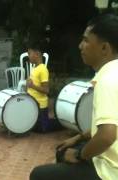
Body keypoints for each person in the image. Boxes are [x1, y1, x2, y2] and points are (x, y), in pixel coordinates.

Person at [30, 14, 118, 180]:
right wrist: (79, 137)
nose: (80, 46)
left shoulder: (107, 81)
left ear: (104, 48)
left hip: (110, 172)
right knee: (63, 150)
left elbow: (107, 135)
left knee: (39, 175)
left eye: (86, 41)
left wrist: (79, 155)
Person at [26, 41, 61, 133]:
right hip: (33, 105)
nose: (28, 56)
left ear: (37, 54)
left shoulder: (43, 69)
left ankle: (61, 122)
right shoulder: (35, 68)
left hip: (40, 106)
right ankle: (48, 121)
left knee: (43, 129)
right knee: (33, 128)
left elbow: (46, 90)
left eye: (29, 53)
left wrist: (32, 86)